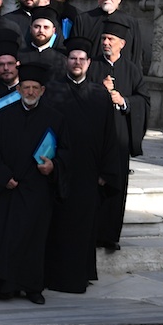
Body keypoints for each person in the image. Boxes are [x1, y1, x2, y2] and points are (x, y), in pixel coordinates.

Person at [0, 63, 68, 305]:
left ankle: (32, 287)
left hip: (37, 190)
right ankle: (3, 286)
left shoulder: (55, 119)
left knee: (33, 240)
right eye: (26, 87)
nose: (30, 92)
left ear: (42, 91)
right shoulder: (2, 117)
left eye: (35, 88)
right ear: (18, 90)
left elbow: (66, 153)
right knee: (4, 239)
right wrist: (3, 177)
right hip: (7, 189)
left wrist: (53, 167)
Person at [44, 38, 122, 293]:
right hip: (58, 170)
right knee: (58, 224)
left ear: (89, 63)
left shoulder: (100, 95)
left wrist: (105, 173)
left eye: (81, 59)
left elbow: (110, 135)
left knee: (83, 226)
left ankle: (80, 275)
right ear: (66, 61)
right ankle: (54, 276)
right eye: (72, 58)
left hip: (89, 172)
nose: (77, 63)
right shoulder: (52, 91)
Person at [87, 17, 149, 252]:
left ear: (122, 43)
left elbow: (144, 100)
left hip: (120, 136)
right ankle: (91, 232)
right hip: (95, 137)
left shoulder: (132, 70)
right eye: (104, 38)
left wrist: (123, 100)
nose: (106, 43)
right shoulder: (91, 66)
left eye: (111, 39)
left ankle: (111, 234)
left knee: (117, 185)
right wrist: (100, 91)